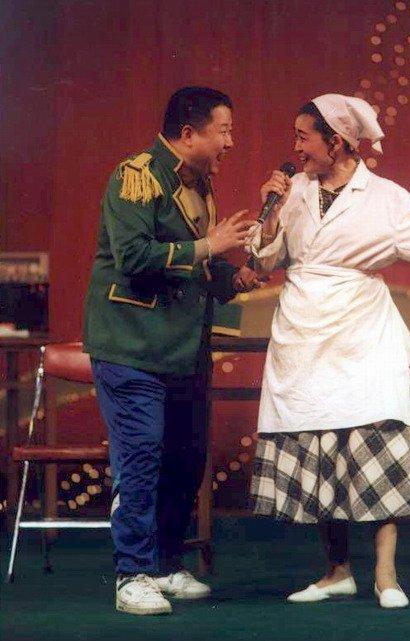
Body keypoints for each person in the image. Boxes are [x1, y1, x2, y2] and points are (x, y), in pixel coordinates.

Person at [248, 93, 410, 608]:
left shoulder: (384, 197)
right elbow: (265, 258)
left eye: (304, 137)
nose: (296, 148)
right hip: (303, 331)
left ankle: (386, 575)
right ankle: (337, 571)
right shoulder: (294, 191)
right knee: (318, 446)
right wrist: (268, 215)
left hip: (361, 332)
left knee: (374, 445)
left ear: (337, 141)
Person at [83, 86, 262, 615]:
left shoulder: (198, 184)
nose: (230, 142)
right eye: (223, 130)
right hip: (132, 346)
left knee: (186, 458)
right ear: (188, 133)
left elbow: (197, 267)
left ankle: (163, 564)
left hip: (183, 350)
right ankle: (131, 573)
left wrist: (235, 276)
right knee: (141, 457)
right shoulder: (135, 176)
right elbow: (134, 257)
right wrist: (210, 245)